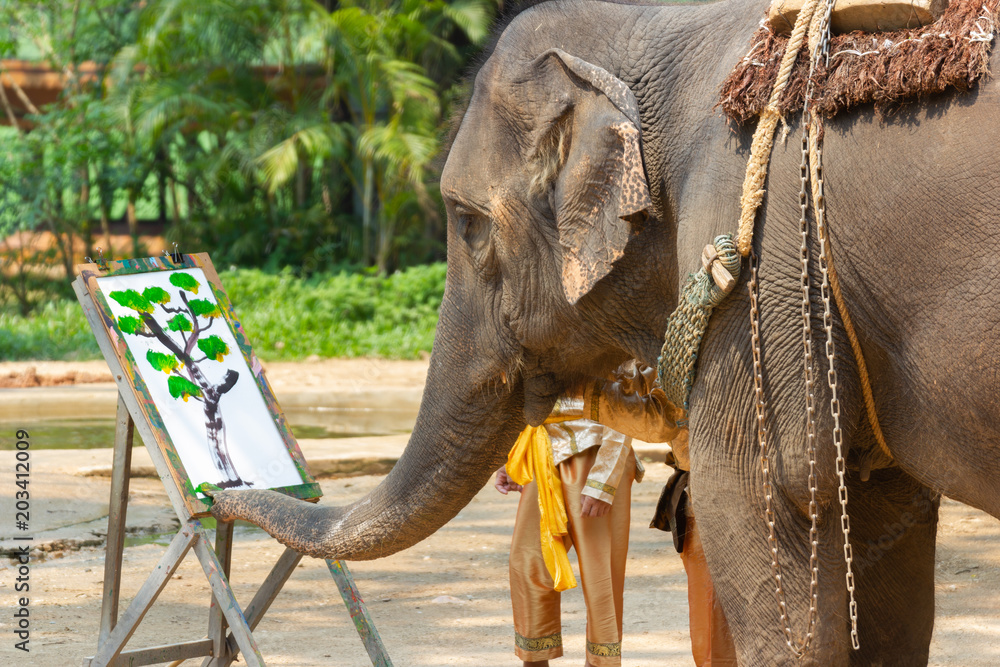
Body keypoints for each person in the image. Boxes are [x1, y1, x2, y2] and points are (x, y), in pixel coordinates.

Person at [495, 363, 680, 667]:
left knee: (600, 574)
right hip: (542, 447)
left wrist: (604, 479)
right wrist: (515, 454)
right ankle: (535, 659)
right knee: (527, 561)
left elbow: (627, 398)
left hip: (595, 451)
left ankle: (601, 663)